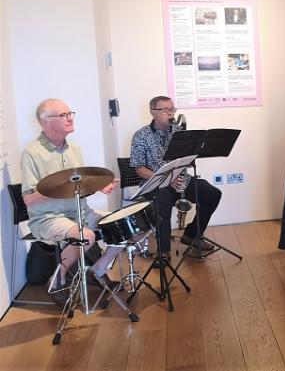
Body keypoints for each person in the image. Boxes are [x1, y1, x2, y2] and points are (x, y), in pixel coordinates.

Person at [21, 99, 123, 306]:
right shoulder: (32, 153)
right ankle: (57, 280)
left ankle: (98, 270)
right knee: (86, 236)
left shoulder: (74, 149)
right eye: (63, 115)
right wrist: (60, 187)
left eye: (70, 114)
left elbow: (78, 186)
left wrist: (97, 187)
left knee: (125, 224)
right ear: (45, 121)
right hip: (49, 218)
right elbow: (28, 198)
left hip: (80, 213)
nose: (69, 118)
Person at [130, 96, 221, 256]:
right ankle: (163, 251)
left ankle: (192, 235)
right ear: (152, 112)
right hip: (155, 183)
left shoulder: (180, 132)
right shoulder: (141, 135)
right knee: (162, 202)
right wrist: (167, 179)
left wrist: (190, 159)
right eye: (165, 110)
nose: (170, 113)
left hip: (181, 180)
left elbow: (187, 159)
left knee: (212, 193)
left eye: (172, 109)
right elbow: (139, 169)